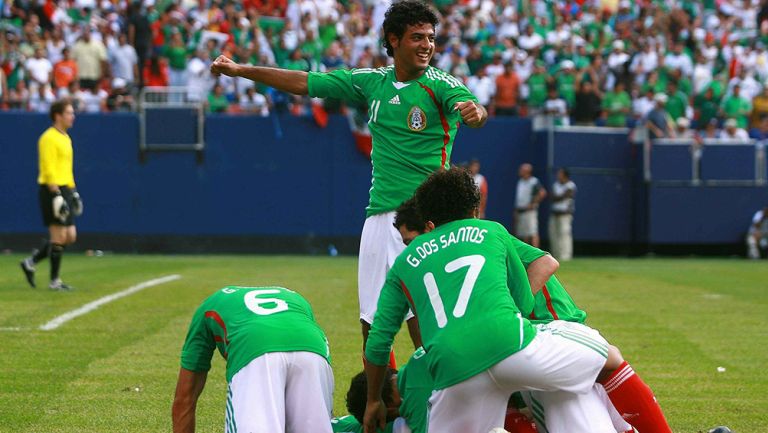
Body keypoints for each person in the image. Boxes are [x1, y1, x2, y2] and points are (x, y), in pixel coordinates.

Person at [210, 0, 487, 364]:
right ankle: (382, 401)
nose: (427, 45)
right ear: (394, 39)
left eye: (431, 38)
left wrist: (476, 112)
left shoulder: (441, 86)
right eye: (417, 37)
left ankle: (441, 388)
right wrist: (241, 70)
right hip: (379, 216)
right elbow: (305, 82)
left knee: (425, 315)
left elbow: (473, 109)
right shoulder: (371, 82)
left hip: (425, 218)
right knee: (372, 321)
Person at [364, 167, 621, 433]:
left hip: (453, 371)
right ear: (475, 210)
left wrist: (373, 400)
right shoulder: (492, 231)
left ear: (428, 221)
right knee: (609, 356)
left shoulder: (404, 262)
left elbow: (378, 342)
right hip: (512, 347)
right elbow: (523, 301)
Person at [393, 196, 673, 433]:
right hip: (522, 340)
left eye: (410, 240)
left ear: (430, 228)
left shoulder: (474, 239)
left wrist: (508, 316)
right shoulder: (450, 251)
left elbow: (545, 262)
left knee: (601, 372)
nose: (408, 248)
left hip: (548, 326)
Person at [172, 285, 334, 433]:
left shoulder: (207, 308)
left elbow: (185, 397)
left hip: (256, 349)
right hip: (314, 348)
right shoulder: (297, 298)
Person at [20, 100, 82, 291]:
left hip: (65, 188)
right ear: (58, 116)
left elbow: (67, 168)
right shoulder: (48, 138)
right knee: (58, 235)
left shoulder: (66, 138)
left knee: (70, 236)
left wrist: (73, 192)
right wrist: (56, 194)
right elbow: (48, 169)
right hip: (51, 190)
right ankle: (54, 281)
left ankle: (30, 262)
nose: (73, 117)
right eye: (69, 113)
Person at [514, 163, 546, 248]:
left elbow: (542, 193)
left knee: (532, 232)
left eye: (522, 170)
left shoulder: (533, 181)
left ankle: (537, 253)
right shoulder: (520, 181)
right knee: (525, 234)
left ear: (527, 171)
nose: (520, 171)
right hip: (521, 210)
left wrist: (532, 203)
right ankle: (527, 253)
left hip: (530, 211)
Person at [549, 168, 576, 261]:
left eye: (560, 174)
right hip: (555, 213)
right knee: (553, 234)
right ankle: (556, 254)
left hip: (565, 214)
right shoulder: (556, 185)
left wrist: (557, 197)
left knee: (564, 234)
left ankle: (565, 255)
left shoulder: (571, 185)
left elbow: (565, 195)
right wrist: (558, 197)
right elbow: (552, 196)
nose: (558, 175)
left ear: (565, 175)